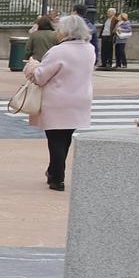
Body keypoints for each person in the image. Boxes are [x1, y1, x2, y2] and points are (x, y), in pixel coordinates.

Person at [26, 13, 96, 190]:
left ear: (65, 31)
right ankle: (53, 171)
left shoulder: (59, 50)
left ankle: (57, 177)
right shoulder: (89, 49)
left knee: (55, 138)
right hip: (80, 98)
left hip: (58, 99)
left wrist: (32, 67)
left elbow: (41, 77)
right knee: (65, 137)